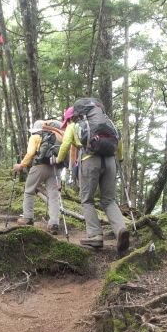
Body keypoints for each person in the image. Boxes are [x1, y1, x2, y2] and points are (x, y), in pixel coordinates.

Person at [55, 105, 130, 251]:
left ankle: (95, 235)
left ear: (71, 118)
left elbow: (66, 144)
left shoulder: (74, 126)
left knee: (87, 200)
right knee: (108, 200)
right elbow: (119, 141)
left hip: (89, 161)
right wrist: (120, 158)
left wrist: (59, 159)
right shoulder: (107, 124)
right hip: (110, 161)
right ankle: (120, 229)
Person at [13, 119, 61, 235]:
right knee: (53, 196)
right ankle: (54, 224)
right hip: (54, 168)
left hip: (39, 167)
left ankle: (28, 217)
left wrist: (21, 165)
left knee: (29, 191)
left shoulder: (34, 137)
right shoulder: (56, 137)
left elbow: (30, 153)